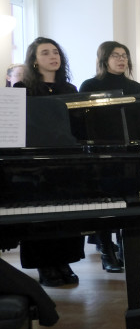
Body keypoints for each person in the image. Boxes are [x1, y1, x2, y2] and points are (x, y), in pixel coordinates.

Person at [14, 38, 84, 286]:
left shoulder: (71, 89)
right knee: (41, 215)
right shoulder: (22, 88)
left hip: (66, 159)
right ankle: (45, 266)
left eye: (56, 52)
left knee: (65, 214)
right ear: (34, 60)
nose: (53, 56)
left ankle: (63, 262)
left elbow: (78, 127)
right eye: (45, 53)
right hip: (34, 162)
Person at [80, 41, 140, 273]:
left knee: (129, 201)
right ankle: (105, 250)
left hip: (129, 153)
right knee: (103, 203)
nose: (121, 59)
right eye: (116, 55)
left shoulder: (136, 87)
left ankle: (124, 246)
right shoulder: (90, 85)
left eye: (124, 55)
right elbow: (85, 124)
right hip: (101, 155)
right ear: (104, 59)